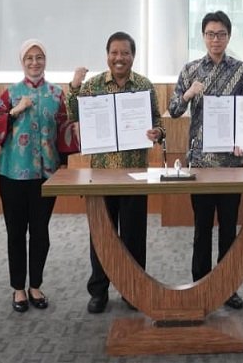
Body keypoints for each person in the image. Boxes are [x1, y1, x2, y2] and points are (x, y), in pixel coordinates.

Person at [67, 31, 164, 314]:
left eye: (125, 53)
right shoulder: (94, 85)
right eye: (114, 53)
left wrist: (157, 132)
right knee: (102, 235)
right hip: (102, 174)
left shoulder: (144, 85)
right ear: (107, 55)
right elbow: (73, 113)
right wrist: (74, 86)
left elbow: (158, 122)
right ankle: (99, 290)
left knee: (134, 236)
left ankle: (134, 290)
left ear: (133, 56)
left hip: (135, 173)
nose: (119, 58)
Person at [168, 11, 243, 310]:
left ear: (228, 37)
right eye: (210, 34)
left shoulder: (241, 70)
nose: (215, 39)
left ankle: (227, 286)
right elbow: (175, 110)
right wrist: (189, 93)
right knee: (202, 228)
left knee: (229, 228)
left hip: (231, 164)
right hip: (201, 165)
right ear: (203, 36)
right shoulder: (191, 69)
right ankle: (200, 285)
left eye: (221, 34)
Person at [0, 39, 70, 313]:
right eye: (29, 59)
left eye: (39, 57)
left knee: (40, 232)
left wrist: (65, 169)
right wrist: (15, 111)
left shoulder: (57, 94)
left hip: (46, 175)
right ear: (22, 62)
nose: (35, 62)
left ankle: (35, 284)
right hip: (12, 174)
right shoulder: (9, 94)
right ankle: (18, 288)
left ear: (45, 60)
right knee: (15, 232)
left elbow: (65, 134)